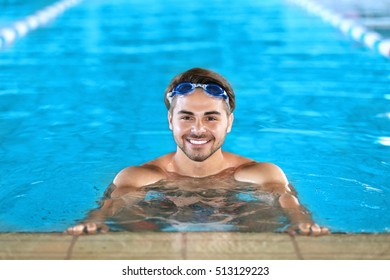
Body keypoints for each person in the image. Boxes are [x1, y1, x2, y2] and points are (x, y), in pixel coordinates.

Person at [66, 67, 329, 236]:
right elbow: (116, 201)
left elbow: (283, 197)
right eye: (187, 117)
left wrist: (299, 221)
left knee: (265, 216)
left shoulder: (259, 173)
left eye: (211, 118)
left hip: (238, 226)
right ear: (171, 121)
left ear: (230, 123)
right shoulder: (139, 175)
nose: (198, 130)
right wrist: (96, 219)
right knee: (130, 215)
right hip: (162, 222)